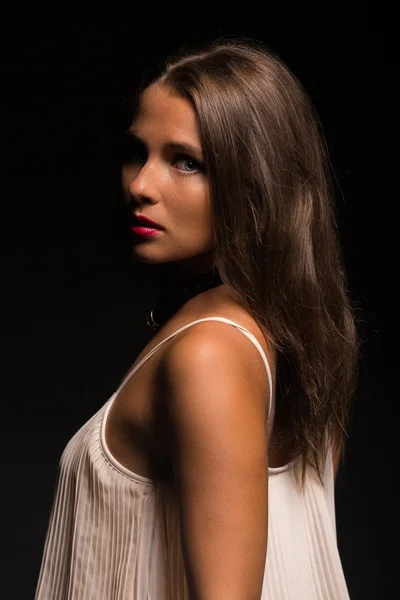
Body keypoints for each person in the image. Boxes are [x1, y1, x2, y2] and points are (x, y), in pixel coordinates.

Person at [35, 35, 358, 599]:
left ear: (256, 185)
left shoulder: (210, 353)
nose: (140, 186)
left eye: (186, 162)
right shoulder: (292, 338)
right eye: (137, 153)